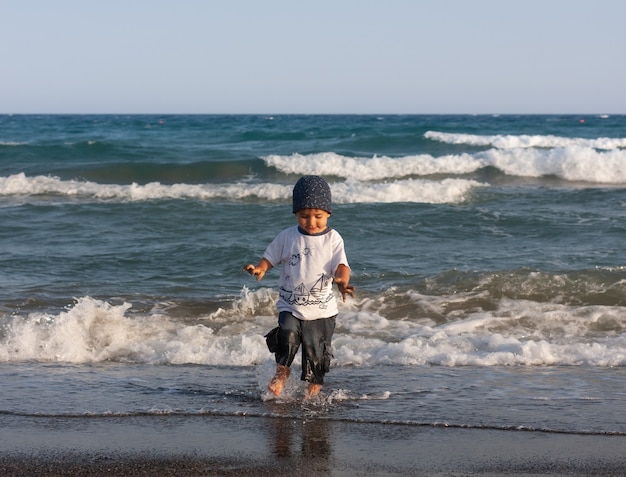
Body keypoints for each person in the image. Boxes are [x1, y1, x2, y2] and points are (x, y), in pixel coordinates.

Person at [243, 175, 355, 399]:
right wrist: (261, 268)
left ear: (328, 214)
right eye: (304, 216)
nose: (311, 222)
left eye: (318, 216)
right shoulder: (287, 237)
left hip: (322, 311)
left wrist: (343, 281)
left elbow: (342, 265)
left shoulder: (333, 239)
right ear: (295, 213)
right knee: (287, 337)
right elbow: (270, 257)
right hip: (290, 305)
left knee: (316, 352)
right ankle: (282, 373)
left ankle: (311, 394)